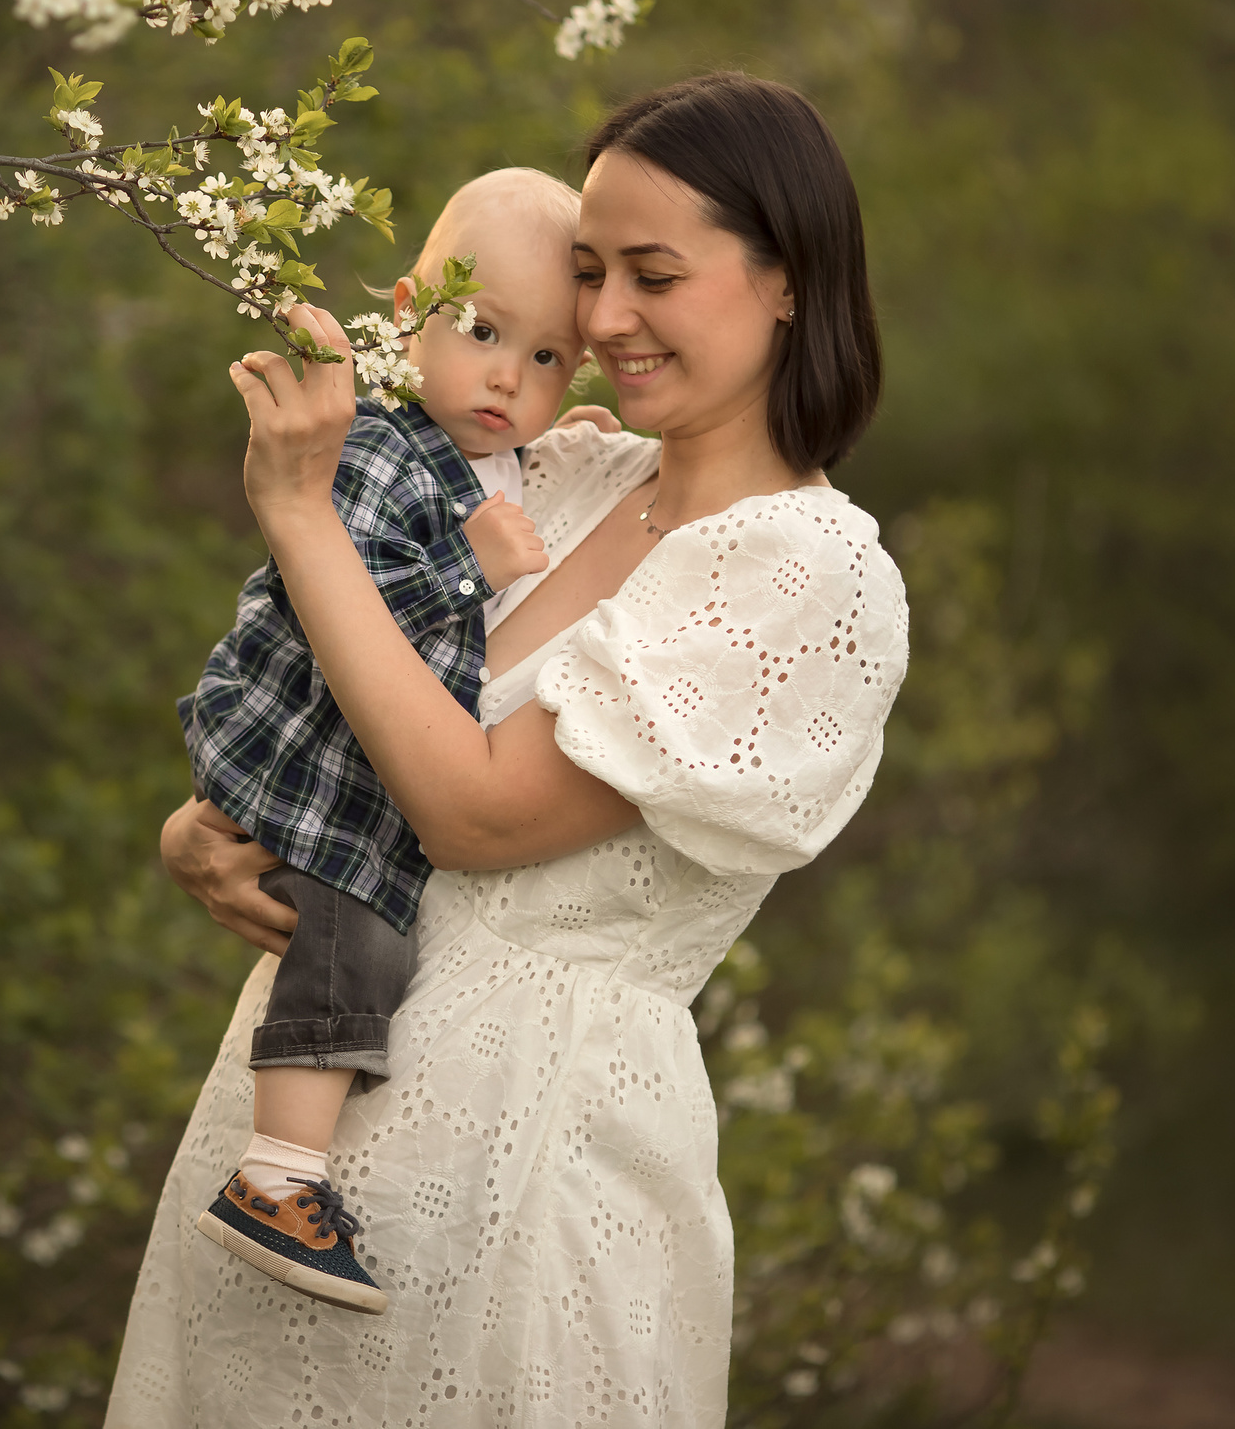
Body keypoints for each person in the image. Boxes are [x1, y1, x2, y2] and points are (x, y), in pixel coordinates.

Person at [108, 73, 910, 1427]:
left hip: (528, 1163)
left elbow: (474, 815)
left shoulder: (804, 572)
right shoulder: (566, 474)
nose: (599, 321)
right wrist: (210, 819)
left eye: (653, 273)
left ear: (788, 278)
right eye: (588, 272)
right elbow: (345, 707)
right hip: (289, 1137)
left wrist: (297, 514)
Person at [181, 167, 586, 1315]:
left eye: (549, 357)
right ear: (407, 307)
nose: (508, 374)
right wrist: (477, 565)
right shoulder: (372, 444)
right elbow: (342, 604)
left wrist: (568, 452)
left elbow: (525, 486)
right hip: (315, 754)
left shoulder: (491, 453)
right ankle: (279, 1174)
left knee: (360, 931)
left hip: (363, 761)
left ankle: (286, 1164)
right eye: (480, 328)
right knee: (354, 936)